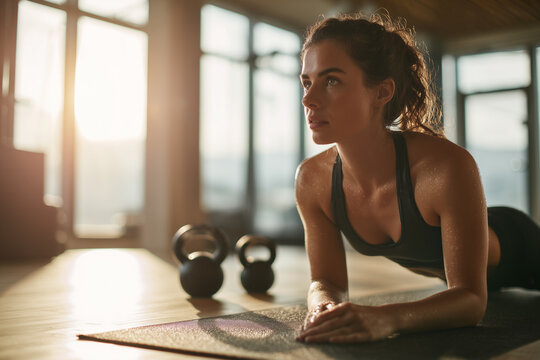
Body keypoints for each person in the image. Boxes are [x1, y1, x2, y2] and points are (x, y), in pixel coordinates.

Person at [294, 11, 540, 344]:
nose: (309, 99)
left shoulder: (444, 168)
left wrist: (384, 318)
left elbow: (470, 299)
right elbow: (326, 281)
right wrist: (323, 308)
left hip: (523, 250)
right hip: (461, 279)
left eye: (331, 80)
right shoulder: (313, 180)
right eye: (307, 81)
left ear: (382, 92)